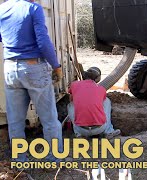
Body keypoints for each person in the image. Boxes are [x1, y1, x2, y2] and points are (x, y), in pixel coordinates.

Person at [0, 0, 63, 162]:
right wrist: (56, 66)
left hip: (10, 68)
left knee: (15, 121)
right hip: (33, 66)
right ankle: (53, 159)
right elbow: (43, 42)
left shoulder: (2, 9)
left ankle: (19, 162)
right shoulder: (33, 9)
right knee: (49, 119)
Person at [68, 67, 121, 138]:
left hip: (81, 129)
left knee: (70, 105)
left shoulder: (74, 85)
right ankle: (109, 131)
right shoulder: (101, 89)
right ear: (97, 78)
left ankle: (78, 134)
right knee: (106, 101)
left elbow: (71, 98)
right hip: (100, 129)